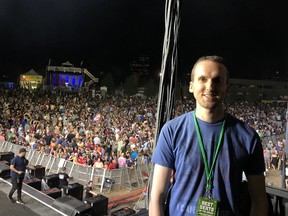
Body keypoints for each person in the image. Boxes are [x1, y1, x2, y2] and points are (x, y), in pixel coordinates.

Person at [149, 56, 268, 216]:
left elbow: (259, 202)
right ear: (191, 86)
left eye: (217, 80)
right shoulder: (171, 130)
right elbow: (157, 196)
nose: (210, 86)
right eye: (202, 79)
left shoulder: (248, 137)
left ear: (227, 88)